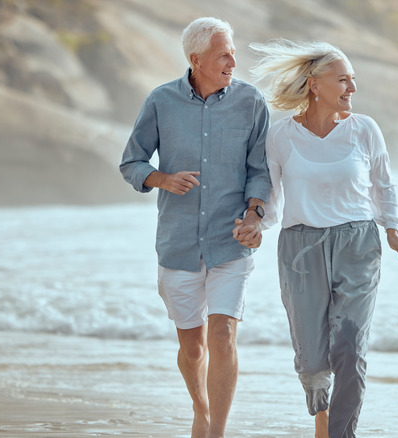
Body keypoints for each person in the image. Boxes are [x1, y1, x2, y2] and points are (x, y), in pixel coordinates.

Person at [249, 39, 398, 438]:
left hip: (357, 245)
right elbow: (271, 198)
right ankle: (322, 421)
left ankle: (341, 434)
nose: (352, 89)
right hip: (299, 250)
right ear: (314, 84)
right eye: (343, 80)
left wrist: (392, 229)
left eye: (353, 80)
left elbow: (383, 185)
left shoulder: (364, 130)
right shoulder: (281, 136)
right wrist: (255, 224)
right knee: (310, 358)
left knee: (349, 347)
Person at [119, 17, 270, 438]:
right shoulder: (160, 101)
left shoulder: (252, 103)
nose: (233, 61)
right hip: (178, 242)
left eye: (233, 52)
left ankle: (216, 431)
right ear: (196, 59)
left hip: (231, 242)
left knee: (222, 335)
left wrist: (255, 215)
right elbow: (131, 162)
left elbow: (260, 172)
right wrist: (162, 179)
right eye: (224, 54)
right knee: (194, 347)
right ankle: (200, 411)